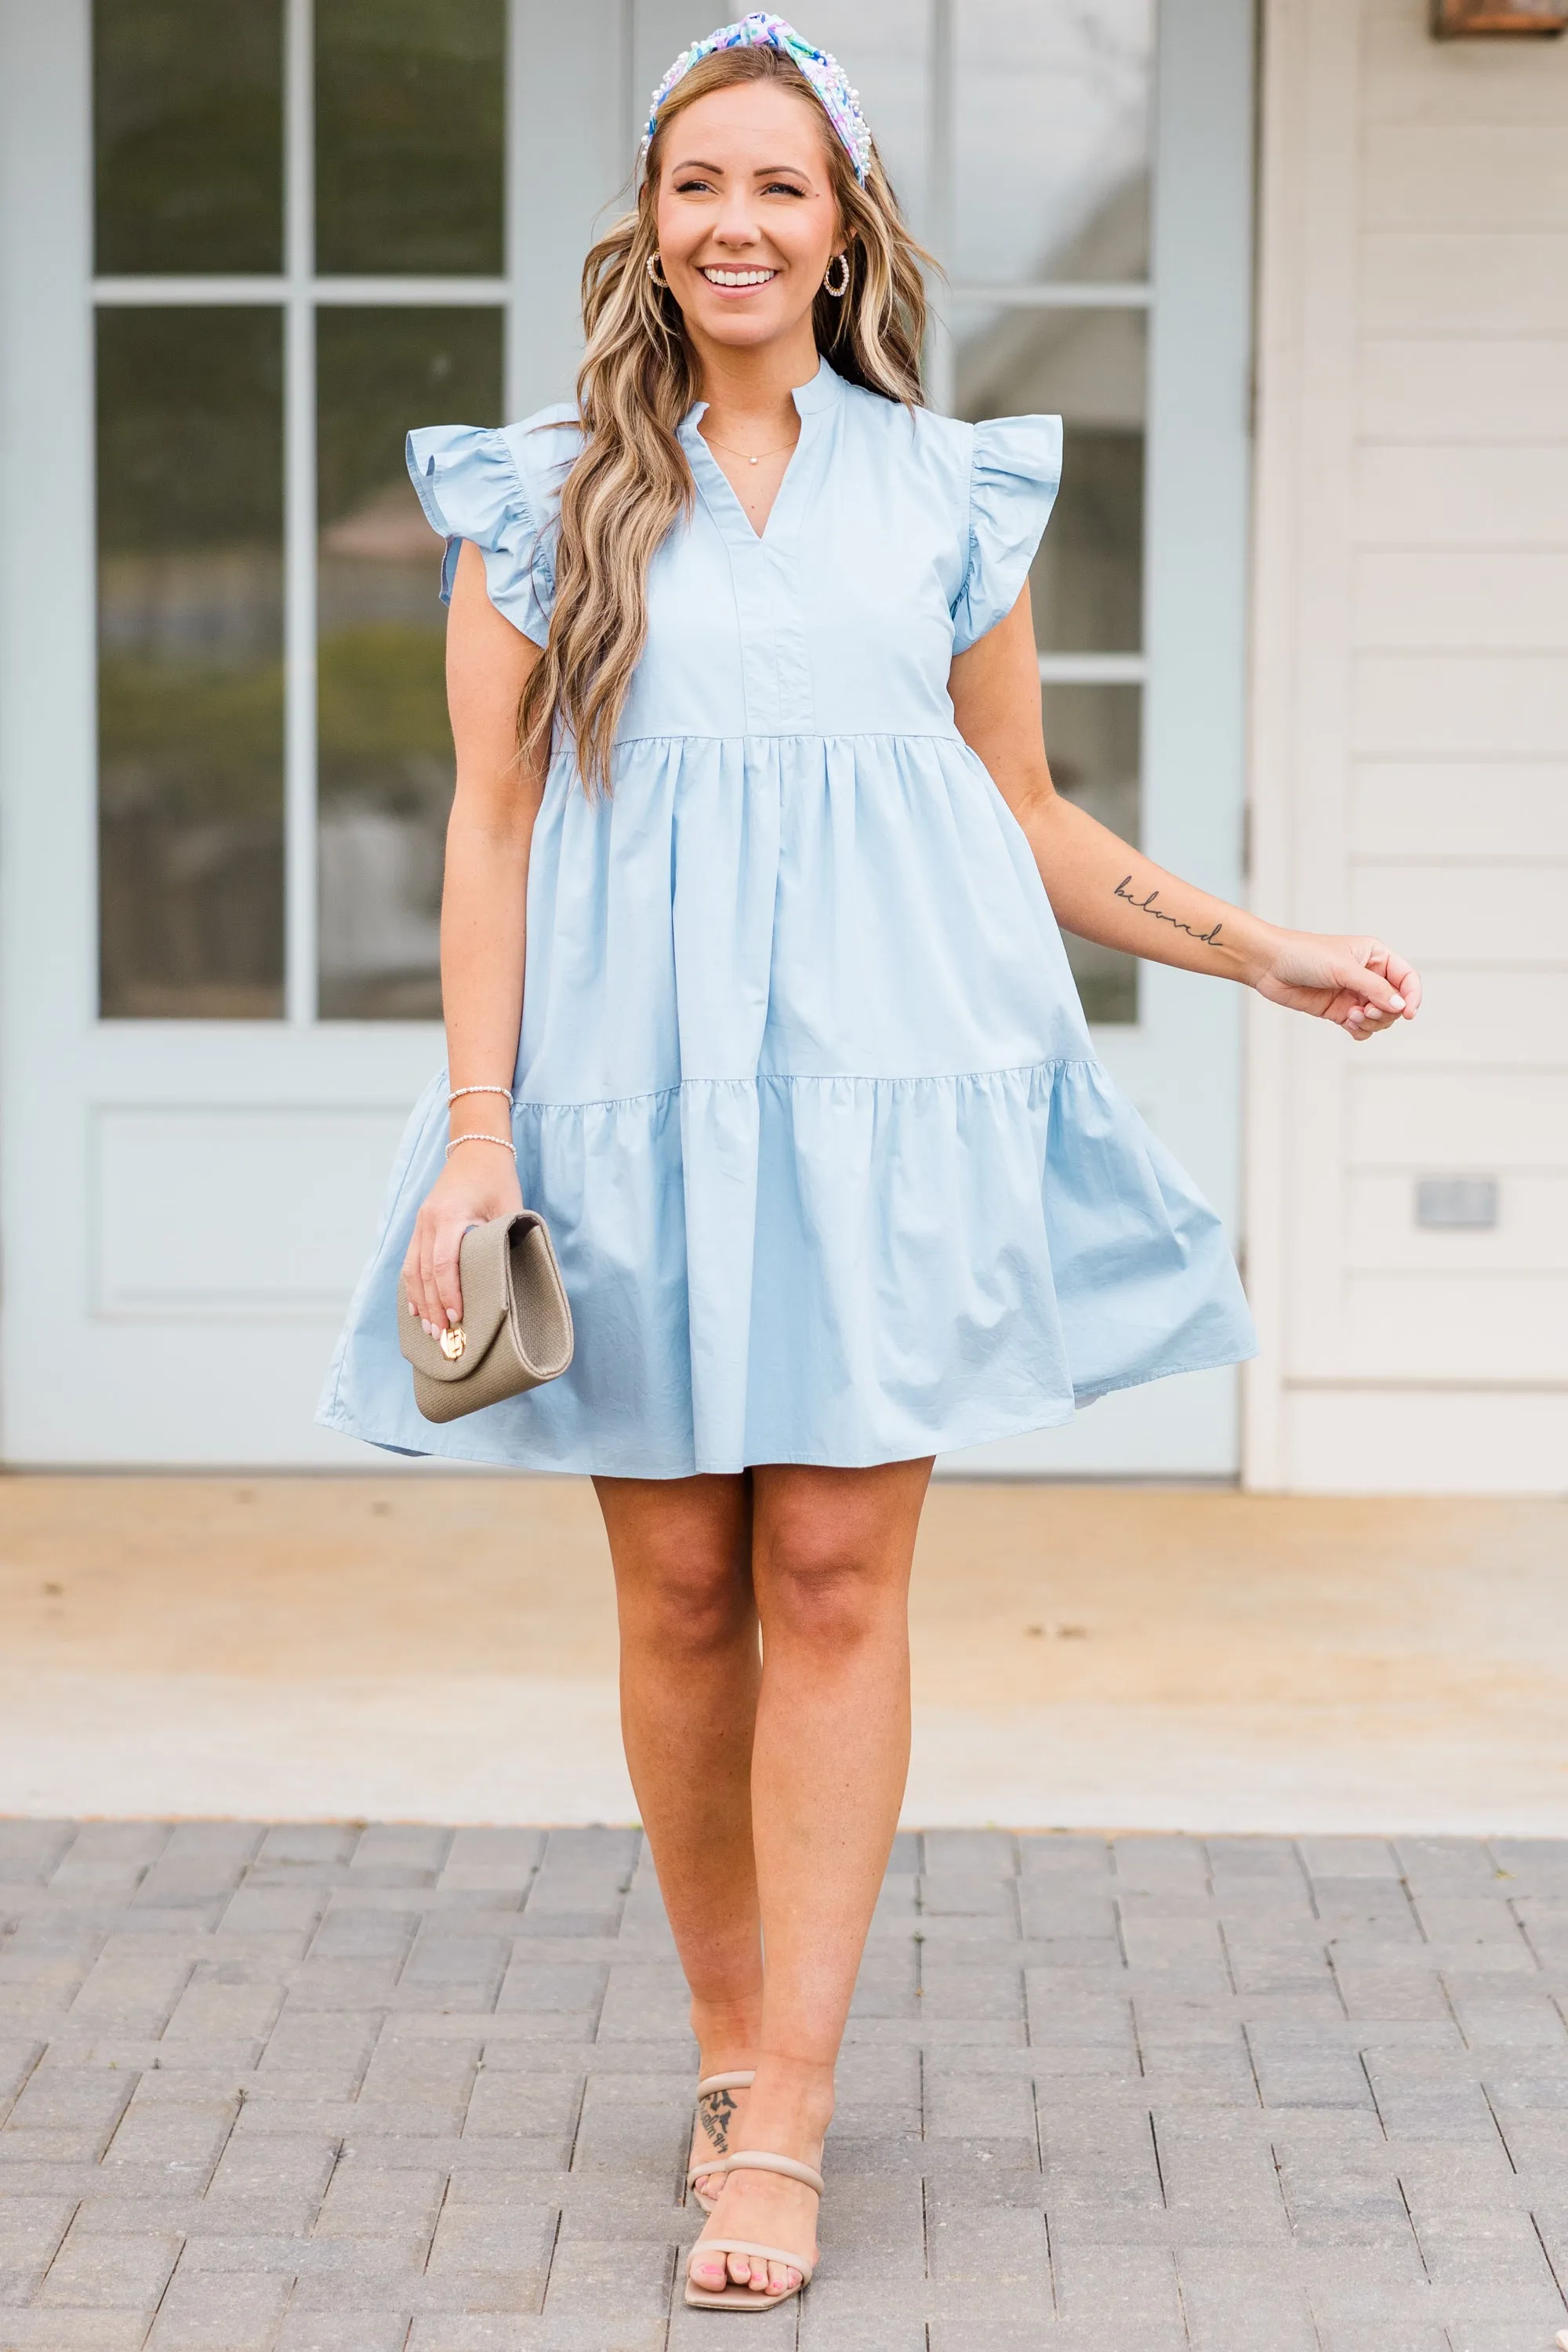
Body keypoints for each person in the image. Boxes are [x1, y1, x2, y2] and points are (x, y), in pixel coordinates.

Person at [319, 12, 1420, 2313]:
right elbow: (495, 838)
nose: (735, 222)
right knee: (677, 1597)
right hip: (623, 1110)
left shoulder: (947, 490)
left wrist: (1262, 948)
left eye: (779, 189)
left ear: (841, 233)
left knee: (828, 1574)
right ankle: (728, 2045)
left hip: (884, 1093)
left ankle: (785, 2111)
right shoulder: (535, 502)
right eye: (698, 181)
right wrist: (475, 1144)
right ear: (652, 213)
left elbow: (1025, 819)